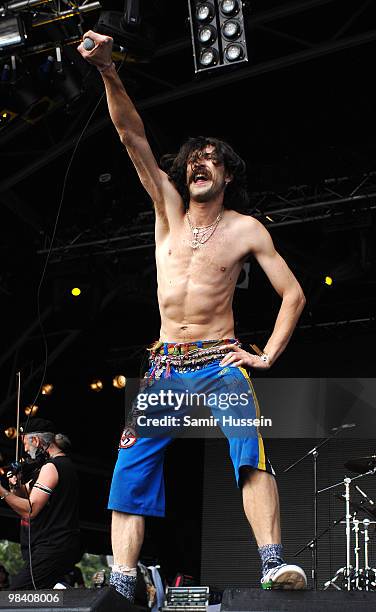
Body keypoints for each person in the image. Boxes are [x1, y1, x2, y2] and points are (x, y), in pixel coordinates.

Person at [77, 32, 307, 599]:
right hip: (164, 366)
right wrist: (108, 68)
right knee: (129, 467)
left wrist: (267, 353)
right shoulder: (168, 209)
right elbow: (131, 134)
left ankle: (273, 562)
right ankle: (126, 579)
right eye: (194, 161)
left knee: (248, 450)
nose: (200, 166)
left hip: (219, 361)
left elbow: (294, 294)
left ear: (227, 175)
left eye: (212, 162)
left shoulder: (246, 229)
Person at [0, 418, 81, 590]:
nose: (26, 450)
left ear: (36, 441)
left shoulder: (52, 467)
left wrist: (2, 491)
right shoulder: (54, 466)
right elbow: (26, 495)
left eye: (26, 444)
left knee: (15, 595)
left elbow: (30, 509)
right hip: (52, 547)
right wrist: (15, 487)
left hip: (53, 546)